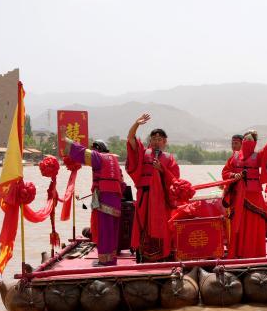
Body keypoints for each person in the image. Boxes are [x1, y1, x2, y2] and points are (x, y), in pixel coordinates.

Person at [126, 113, 181, 261]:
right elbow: (130, 139)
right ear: (150, 141)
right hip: (144, 195)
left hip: (161, 199)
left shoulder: (169, 158)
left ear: (165, 142)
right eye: (154, 139)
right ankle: (142, 257)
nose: (157, 142)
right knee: (142, 225)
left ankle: (162, 257)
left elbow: (175, 180)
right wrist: (136, 124)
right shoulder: (143, 153)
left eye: (160, 139)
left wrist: (162, 169)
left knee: (161, 225)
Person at [66, 138, 124, 266]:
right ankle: (111, 259)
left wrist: (68, 142)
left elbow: (81, 152)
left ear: (98, 150)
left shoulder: (99, 157)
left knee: (104, 230)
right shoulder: (114, 160)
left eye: (93, 149)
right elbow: (122, 182)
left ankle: (105, 261)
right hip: (116, 200)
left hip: (104, 199)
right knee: (112, 231)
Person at [227, 125, 267, 258]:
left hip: (254, 194)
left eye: (250, 140)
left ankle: (254, 253)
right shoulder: (235, 156)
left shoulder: (257, 156)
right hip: (238, 195)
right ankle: (238, 252)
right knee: (238, 224)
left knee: (255, 224)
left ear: (255, 143)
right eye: (245, 139)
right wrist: (233, 175)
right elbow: (226, 171)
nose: (247, 141)